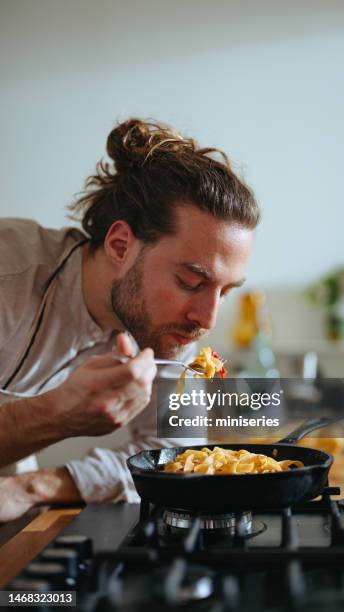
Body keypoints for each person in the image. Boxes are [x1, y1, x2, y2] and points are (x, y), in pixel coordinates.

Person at [0, 118, 259, 521]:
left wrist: (35, 487)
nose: (206, 318)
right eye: (190, 281)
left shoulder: (173, 324)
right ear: (120, 245)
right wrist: (58, 414)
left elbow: (176, 454)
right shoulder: (8, 278)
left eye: (225, 292)